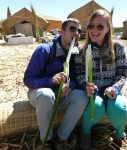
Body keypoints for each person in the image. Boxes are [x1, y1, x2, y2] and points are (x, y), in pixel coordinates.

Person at [23, 18, 88, 150]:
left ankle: (61, 137)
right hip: (40, 95)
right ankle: (46, 140)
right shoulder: (44, 50)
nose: (77, 33)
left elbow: (76, 78)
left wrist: (71, 86)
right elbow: (28, 79)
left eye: (79, 30)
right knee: (46, 95)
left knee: (82, 97)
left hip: (62, 95)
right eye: (72, 29)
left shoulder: (76, 53)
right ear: (62, 32)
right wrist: (50, 81)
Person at [74, 9, 127, 150]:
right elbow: (80, 73)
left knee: (118, 109)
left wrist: (115, 88)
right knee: (97, 108)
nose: (94, 30)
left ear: (107, 28)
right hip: (93, 90)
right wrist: (86, 85)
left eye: (100, 26)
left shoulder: (117, 47)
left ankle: (119, 135)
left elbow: (122, 73)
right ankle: (85, 133)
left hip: (111, 89)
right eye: (91, 26)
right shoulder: (82, 51)